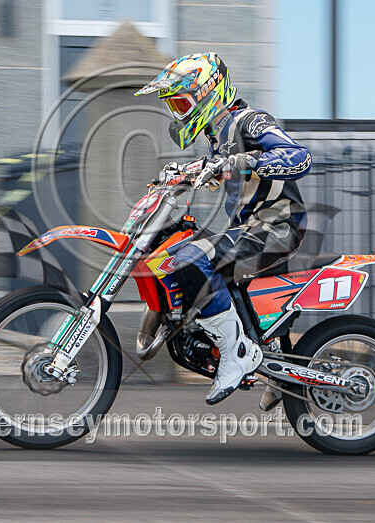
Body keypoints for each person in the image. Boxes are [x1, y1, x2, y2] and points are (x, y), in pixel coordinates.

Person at [136, 53, 312, 404]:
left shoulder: (250, 121)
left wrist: (239, 162)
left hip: (276, 226)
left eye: (181, 103)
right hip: (251, 229)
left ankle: (235, 355)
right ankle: (266, 351)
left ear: (208, 94)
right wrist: (181, 173)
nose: (178, 112)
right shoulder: (219, 136)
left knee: (188, 258)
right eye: (173, 105)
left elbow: (298, 156)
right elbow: (218, 163)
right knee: (175, 248)